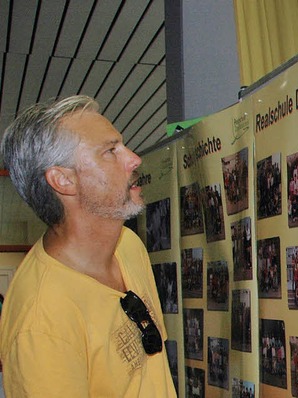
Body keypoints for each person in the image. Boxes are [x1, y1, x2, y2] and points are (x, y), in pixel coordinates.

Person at [0, 96, 175, 396]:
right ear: (63, 180)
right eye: (110, 151)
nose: (133, 159)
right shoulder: (42, 320)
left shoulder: (128, 246)